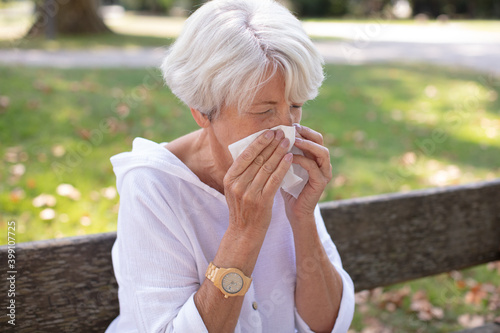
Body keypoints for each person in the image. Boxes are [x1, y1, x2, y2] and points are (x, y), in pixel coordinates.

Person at [105, 0, 355, 332]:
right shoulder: (153, 185)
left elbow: (327, 325)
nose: (287, 128)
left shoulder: (289, 176)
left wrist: (303, 217)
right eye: (264, 110)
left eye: (295, 105)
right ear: (201, 111)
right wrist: (243, 233)